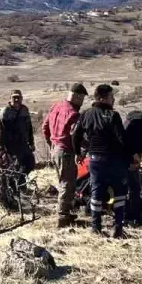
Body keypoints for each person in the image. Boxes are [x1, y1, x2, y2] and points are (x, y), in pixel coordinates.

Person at [72, 84, 130, 238]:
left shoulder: (86, 114)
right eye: (111, 96)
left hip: (95, 160)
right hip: (114, 160)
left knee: (96, 192)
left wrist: (78, 153)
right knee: (119, 193)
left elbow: (75, 135)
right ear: (103, 98)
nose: (114, 99)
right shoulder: (113, 115)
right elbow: (122, 139)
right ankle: (117, 228)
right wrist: (130, 157)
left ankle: (95, 227)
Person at [41, 83, 88, 227]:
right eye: (82, 98)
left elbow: (45, 126)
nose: (82, 102)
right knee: (67, 185)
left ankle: (65, 213)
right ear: (77, 96)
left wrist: (51, 145)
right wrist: (81, 151)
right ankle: (62, 219)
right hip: (66, 151)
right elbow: (76, 137)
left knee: (63, 183)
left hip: (55, 149)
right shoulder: (73, 114)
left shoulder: (56, 106)